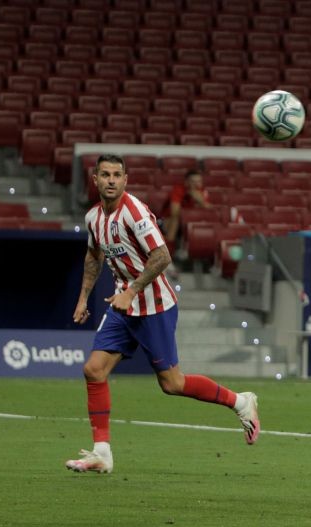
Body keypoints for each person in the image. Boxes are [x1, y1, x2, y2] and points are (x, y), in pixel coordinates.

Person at [65, 155, 259, 474]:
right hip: (123, 305)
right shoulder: (93, 219)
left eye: (117, 175)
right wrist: (83, 297)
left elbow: (162, 256)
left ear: (126, 180)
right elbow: (93, 255)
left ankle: (241, 402)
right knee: (94, 369)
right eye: (105, 174)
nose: (111, 180)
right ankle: (102, 452)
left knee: (172, 384)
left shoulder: (136, 213)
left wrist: (131, 290)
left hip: (154, 304)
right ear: (95, 180)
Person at [162, 169, 211, 278]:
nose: (196, 184)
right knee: (175, 220)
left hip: (192, 223)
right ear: (186, 182)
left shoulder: (202, 191)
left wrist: (200, 201)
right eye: (193, 181)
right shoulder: (178, 189)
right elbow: (175, 212)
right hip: (169, 222)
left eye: (198, 181)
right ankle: (168, 257)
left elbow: (209, 211)